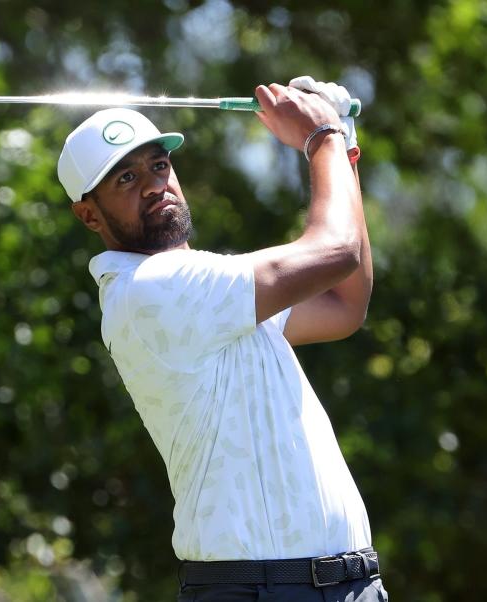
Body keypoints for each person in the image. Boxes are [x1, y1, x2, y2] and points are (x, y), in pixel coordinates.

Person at [57, 77, 385, 602]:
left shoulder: (211, 292)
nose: (152, 184)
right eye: (125, 178)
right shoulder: (152, 291)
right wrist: (321, 133)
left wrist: (341, 144)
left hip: (344, 585)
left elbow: (342, 304)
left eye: (158, 165)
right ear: (89, 214)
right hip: (262, 589)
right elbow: (337, 251)